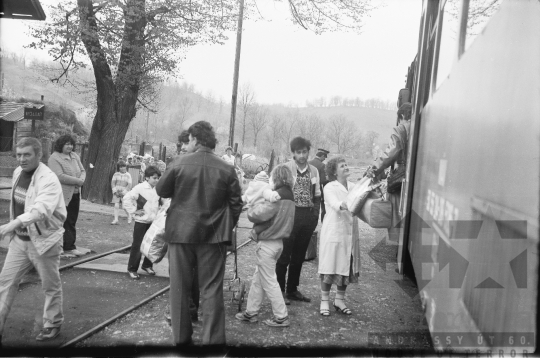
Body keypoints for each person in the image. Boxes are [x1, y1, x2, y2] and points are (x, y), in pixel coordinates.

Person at [156, 121, 242, 347]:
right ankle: (213, 343)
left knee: (179, 288)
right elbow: (236, 204)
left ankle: (181, 340)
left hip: (180, 234)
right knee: (212, 289)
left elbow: (161, 190)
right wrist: (225, 227)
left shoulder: (179, 163)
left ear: (195, 139)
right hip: (213, 238)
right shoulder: (227, 168)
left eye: (190, 139)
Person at [0, 137, 67, 344]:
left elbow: (40, 210)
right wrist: (15, 229)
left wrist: (11, 224)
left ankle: (52, 323)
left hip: (44, 242)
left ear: (39, 155)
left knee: (49, 285)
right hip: (20, 241)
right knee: (5, 283)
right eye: (19, 155)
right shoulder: (18, 172)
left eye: (27, 154)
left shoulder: (49, 179)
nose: (21, 159)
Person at [236, 164, 295, 327]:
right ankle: (251, 312)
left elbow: (258, 215)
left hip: (268, 243)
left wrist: (250, 209)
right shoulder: (290, 196)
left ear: (276, 177)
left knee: (269, 281)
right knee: (258, 279)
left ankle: (281, 316)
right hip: (278, 243)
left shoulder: (277, 196)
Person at [274, 136, 321, 304]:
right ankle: (278, 291)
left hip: (307, 217)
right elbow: (276, 192)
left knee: (299, 256)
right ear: (293, 153)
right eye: (298, 152)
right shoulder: (285, 168)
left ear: (309, 152)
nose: (302, 155)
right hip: (289, 216)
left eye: (305, 152)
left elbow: (317, 196)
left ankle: (292, 290)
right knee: (284, 255)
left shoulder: (314, 171)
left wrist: (314, 216)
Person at [318, 156, 361, 317]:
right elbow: (338, 205)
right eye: (342, 166)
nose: (346, 167)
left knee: (346, 266)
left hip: (349, 233)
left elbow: (365, 195)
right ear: (334, 172)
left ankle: (339, 300)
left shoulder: (354, 186)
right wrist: (355, 201)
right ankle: (324, 301)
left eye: (346, 164)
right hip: (334, 232)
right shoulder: (329, 187)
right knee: (330, 266)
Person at [366, 102, 412, 242]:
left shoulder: (402, 128)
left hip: (401, 179)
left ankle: (399, 245)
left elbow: (391, 153)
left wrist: (374, 169)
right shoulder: (423, 126)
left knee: (397, 213)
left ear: (402, 115)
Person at [48, 134, 86, 257]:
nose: (70, 146)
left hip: (75, 194)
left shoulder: (74, 156)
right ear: (61, 145)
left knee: (71, 220)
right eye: (67, 144)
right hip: (62, 195)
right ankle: (60, 247)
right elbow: (59, 176)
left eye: (71, 144)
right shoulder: (54, 158)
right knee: (61, 220)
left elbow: (83, 170)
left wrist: (81, 179)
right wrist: (77, 181)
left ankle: (69, 246)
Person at [122, 165, 161, 279]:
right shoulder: (140, 188)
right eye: (154, 178)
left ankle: (147, 265)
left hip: (152, 222)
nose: (156, 180)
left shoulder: (158, 189)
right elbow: (126, 199)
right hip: (141, 222)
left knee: (151, 245)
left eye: (158, 178)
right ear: (147, 178)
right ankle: (132, 269)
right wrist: (134, 211)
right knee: (138, 245)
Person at [309, 148, 329, 222]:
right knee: (321, 207)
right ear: (322, 156)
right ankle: (323, 223)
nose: (324, 159)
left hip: (307, 188)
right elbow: (323, 180)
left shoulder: (308, 163)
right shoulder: (322, 165)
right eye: (324, 157)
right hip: (318, 189)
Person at [111, 160, 133, 225]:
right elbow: (113, 183)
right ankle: (115, 219)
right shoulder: (116, 174)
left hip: (124, 193)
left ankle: (129, 216)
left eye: (123, 166)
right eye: (120, 167)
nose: (122, 168)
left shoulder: (128, 175)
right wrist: (115, 191)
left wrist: (123, 192)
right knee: (116, 205)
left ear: (125, 167)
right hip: (116, 192)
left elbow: (129, 185)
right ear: (118, 168)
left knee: (124, 206)